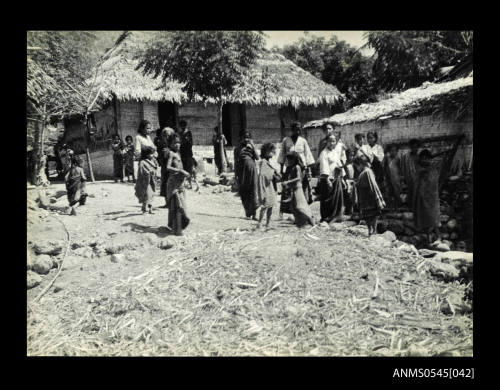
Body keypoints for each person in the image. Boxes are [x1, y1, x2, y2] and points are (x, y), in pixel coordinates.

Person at [413, 135, 464, 245]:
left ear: (429, 158)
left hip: (432, 196)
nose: (424, 159)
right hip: (422, 197)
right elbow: (420, 170)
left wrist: (443, 154)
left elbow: (437, 165)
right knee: (424, 218)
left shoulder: (433, 166)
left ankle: (439, 237)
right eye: (423, 158)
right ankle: (428, 238)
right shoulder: (420, 168)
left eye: (426, 157)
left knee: (433, 217)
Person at [277, 122, 315, 212]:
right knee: (288, 188)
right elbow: (282, 154)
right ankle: (289, 209)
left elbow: (308, 155)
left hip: (302, 168)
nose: (297, 131)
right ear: (292, 130)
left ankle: (303, 208)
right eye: (295, 129)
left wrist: (309, 171)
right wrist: (282, 170)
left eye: (299, 129)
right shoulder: (286, 140)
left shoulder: (303, 141)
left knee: (302, 188)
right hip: (290, 168)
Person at [354, 155, 386, 235]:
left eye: (357, 166)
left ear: (361, 164)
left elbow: (373, 185)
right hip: (365, 199)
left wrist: (378, 199)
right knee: (368, 216)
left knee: (373, 215)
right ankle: (371, 231)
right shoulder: (364, 173)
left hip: (370, 198)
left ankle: (373, 230)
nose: (357, 168)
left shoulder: (367, 172)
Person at [316, 134, 345, 223]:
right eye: (330, 141)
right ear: (326, 142)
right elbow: (324, 167)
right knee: (327, 199)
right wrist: (327, 179)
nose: (332, 143)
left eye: (334, 141)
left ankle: (335, 216)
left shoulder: (335, 152)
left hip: (337, 179)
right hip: (328, 180)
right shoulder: (324, 153)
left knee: (337, 199)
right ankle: (326, 217)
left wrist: (342, 178)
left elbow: (339, 165)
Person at [281, 151, 314, 228]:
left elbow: (298, 178)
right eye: (288, 160)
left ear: (295, 160)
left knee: (300, 206)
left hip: (298, 189)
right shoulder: (291, 168)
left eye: (290, 160)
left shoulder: (297, 167)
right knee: (293, 207)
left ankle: (310, 220)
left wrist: (288, 182)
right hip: (294, 188)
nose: (288, 162)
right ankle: (299, 221)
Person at [166, 134, 191, 236]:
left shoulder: (179, 153)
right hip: (173, 184)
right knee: (177, 206)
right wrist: (181, 171)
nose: (177, 145)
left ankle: (178, 228)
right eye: (175, 143)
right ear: (170, 144)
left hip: (180, 184)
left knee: (181, 206)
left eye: (178, 142)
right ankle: (176, 229)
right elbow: (168, 167)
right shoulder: (171, 154)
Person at [234, 131, 260, 220]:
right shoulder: (237, 149)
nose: (246, 139)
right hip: (242, 171)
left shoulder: (251, 148)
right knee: (243, 190)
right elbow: (235, 163)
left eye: (248, 137)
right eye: (244, 137)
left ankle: (255, 214)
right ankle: (248, 212)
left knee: (253, 190)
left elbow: (257, 158)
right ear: (241, 139)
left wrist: (253, 146)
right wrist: (235, 175)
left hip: (252, 170)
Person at [256, 143, 281, 230]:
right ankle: (259, 223)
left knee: (270, 205)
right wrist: (274, 173)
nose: (273, 153)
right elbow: (265, 175)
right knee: (265, 206)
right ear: (266, 152)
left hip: (269, 186)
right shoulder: (263, 162)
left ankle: (268, 223)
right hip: (265, 186)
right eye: (272, 152)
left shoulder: (267, 162)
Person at [177, 120, 199, 191]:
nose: (182, 127)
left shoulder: (188, 133)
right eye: (181, 126)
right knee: (186, 170)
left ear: (185, 126)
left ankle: (197, 183)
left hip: (188, 154)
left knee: (192, 169)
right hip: (182, 154)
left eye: (183, 126)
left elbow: (190, 143)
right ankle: (190, 184)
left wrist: (183, 142)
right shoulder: (179, 134)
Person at [135, 146, 157, 214]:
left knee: (151, 194)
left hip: (152, 180)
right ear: (146, 154)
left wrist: (155, 173)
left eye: (153, 153)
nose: (152, 155)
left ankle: (149, 209)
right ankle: (145, 207)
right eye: (151, 154)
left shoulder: (153, 161)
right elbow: (141, 171)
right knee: (147, 194)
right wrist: (148, 173)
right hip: (145, 181)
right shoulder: (142, 162)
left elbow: (156, 168)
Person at [400, 138, 421, 207]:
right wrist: (403, 177)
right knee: (410, 192)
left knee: (417, 193)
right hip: (409, 178)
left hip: (417, 178)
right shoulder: (406, 156)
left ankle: (416, 206)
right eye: (413, 147)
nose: (414, 148)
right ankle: (410, 206)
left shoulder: (419, 157)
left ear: (418, 147)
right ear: (410, 147)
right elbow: (403, 167)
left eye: (416, 147)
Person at [158, 127, 176, 208]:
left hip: (172, 165)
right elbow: (159, 152)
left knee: (172, 184)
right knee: (165, 183)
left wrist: (169, 151)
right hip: (164, 165)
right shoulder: (161, 143)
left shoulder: (174, 143)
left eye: (168, 135)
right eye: (165, 135)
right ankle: (167, 203)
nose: (167, 136)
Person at [383, 143, 402, 210]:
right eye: (391, 150)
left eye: (394, 150)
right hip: (388, 178)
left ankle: (398, 207)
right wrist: (385, 177)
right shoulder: (387, 158)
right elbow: (384, 167)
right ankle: (391, 207)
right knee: (390, 193)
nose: (393, 152)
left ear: (397, 151)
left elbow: (400, 168)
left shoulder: (398, 159)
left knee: (397, 192)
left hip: (396, 178)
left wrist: (401, 177)